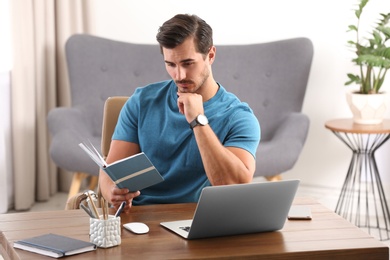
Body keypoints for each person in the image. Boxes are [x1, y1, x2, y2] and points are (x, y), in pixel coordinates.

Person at [99, 14, 261, 212]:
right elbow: (110, 172)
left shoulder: (238, 117)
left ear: (210, 55)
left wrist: (198, 121)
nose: (180, 75)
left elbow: (234, 186)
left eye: (188, 63)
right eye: (171, 65)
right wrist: (112, 192)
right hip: (140, 217)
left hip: (199, 218)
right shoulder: (142, 102)